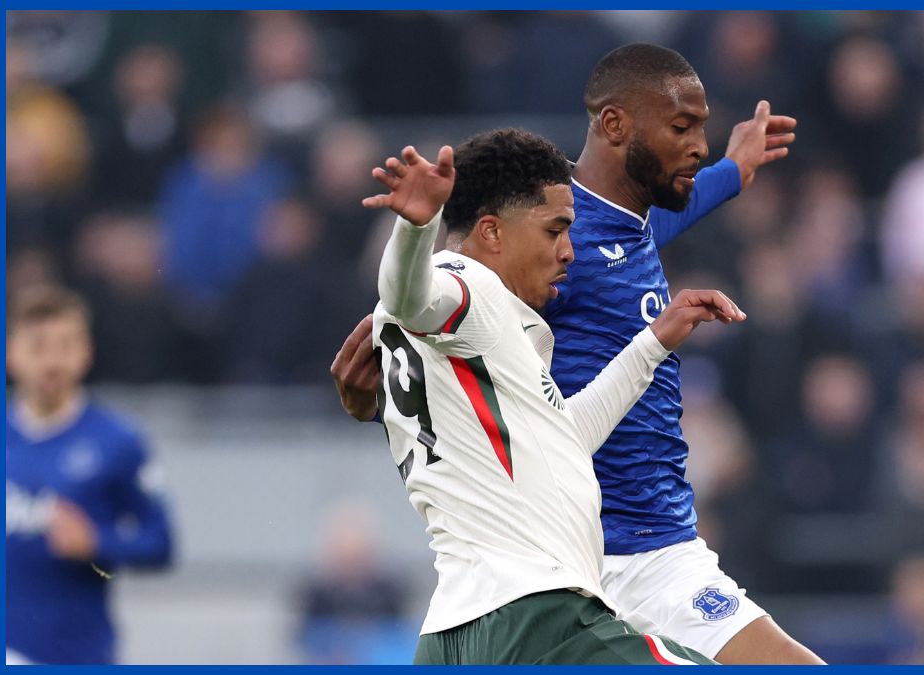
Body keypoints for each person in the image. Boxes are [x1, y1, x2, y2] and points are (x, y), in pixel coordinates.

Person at [332, 43, 823, 664]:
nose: (699, 146)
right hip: (588, 565)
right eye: (682, 128)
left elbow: (560, 422)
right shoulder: (519, 253)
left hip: (597, 561)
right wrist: (413, 236)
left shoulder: (617, 226)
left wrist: (733, 172)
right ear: (615, 124)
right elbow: (417, 305)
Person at [364, 127, 745, 664]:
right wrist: (416, 226)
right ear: (492, 232)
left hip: (455, 633)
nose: (569, 250)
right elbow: (410, 296)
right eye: (555, 230)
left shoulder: (486, 338)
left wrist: (651, 344)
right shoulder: (466, 287)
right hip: (535, 617)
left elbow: (561, 439)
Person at [5, 286, 174, 664]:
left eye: (65, 346)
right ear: (10, 353)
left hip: (77, 654)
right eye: (38, 346)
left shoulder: (117, 441)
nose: (52, 361)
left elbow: (160, 543)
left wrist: (97, 543)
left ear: (86, 353)